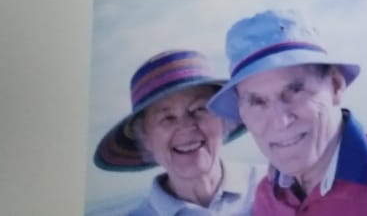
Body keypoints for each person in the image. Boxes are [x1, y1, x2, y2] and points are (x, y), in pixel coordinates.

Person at [210, 10, 367, 216]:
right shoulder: (267, 197)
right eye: (257, 102)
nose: (280, 121)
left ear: (336, 85)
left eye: (295, 90)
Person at [94, 49, 259, 215]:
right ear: (145, 139)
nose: (186, 126)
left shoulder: (268, 183)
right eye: (167, 118)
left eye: (199, 109)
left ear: (223, 117)